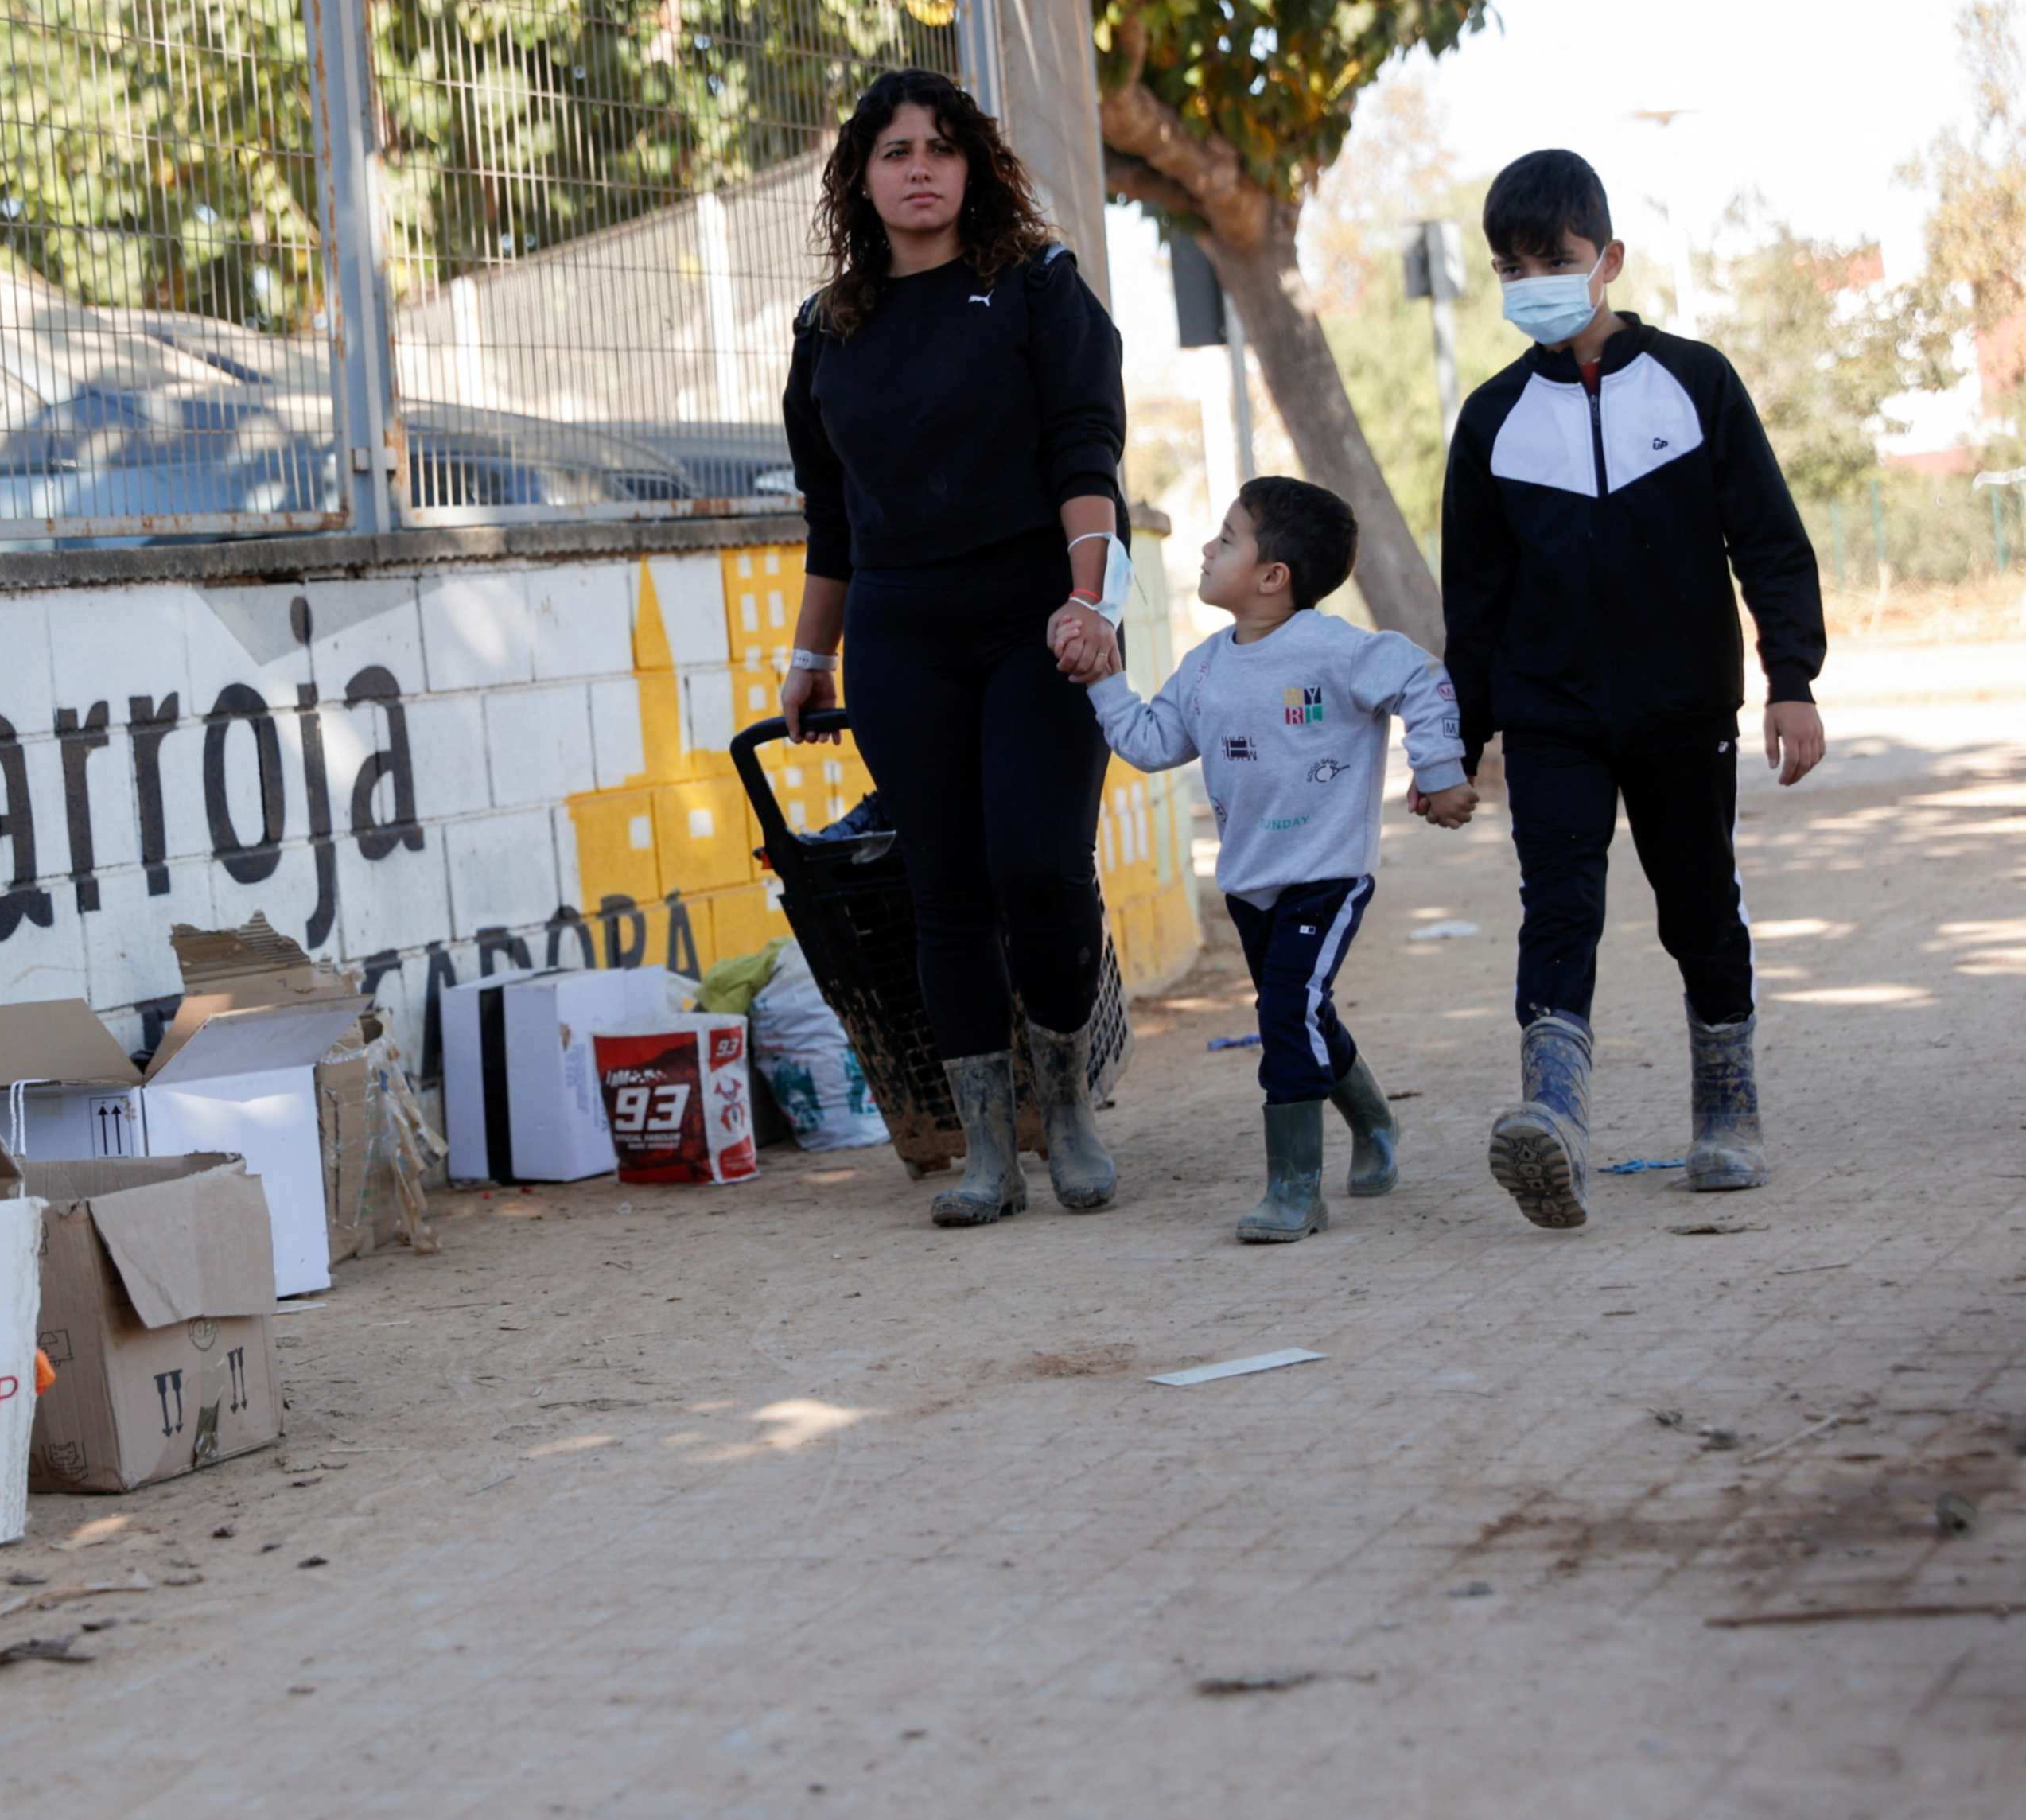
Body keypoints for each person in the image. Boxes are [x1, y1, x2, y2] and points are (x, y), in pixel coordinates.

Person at [1441, 150, 1827, 1231]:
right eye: (1510, 267)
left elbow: (1769, 541)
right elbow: (1472, 604)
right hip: (1551, 718)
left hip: (1680, 711)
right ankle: (1552, 1121)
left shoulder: (1696, 383)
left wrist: (1789, 679)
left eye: (1553, 260)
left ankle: (1728, 1105)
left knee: (1698, 904)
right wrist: (1455, 744)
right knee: (1557, 905)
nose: (1533, 283)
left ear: (1606, 260)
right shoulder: (1491, 421)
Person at [777, 68, 1130, 1230]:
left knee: (1037, 862)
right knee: (943, 886)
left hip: (1039, 618)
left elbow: (1087, 460)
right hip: (900, 631)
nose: (918, 166)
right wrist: (808, 658)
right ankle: (988, 1148)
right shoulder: (828, 330)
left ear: (972, 165)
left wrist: (1093, 604)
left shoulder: (1037, 289)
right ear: (861, 178)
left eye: (939, 146)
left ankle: (1066, 1111)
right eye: (893, 150)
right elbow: (833, 517)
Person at [1074, 479, 1473, 1242]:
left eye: (1225, 538)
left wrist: (1440, 768)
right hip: (1250, 884)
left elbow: (1422, 681)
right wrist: (1105, 681)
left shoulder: (1339, 651)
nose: (1206, 547)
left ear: (1271, 576)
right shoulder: (1202, 668)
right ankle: (1375, 1121)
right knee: (1305, 1010)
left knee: (1285, 1012)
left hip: (1327, 874)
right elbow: (1153, 743)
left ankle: (1295, 1187)